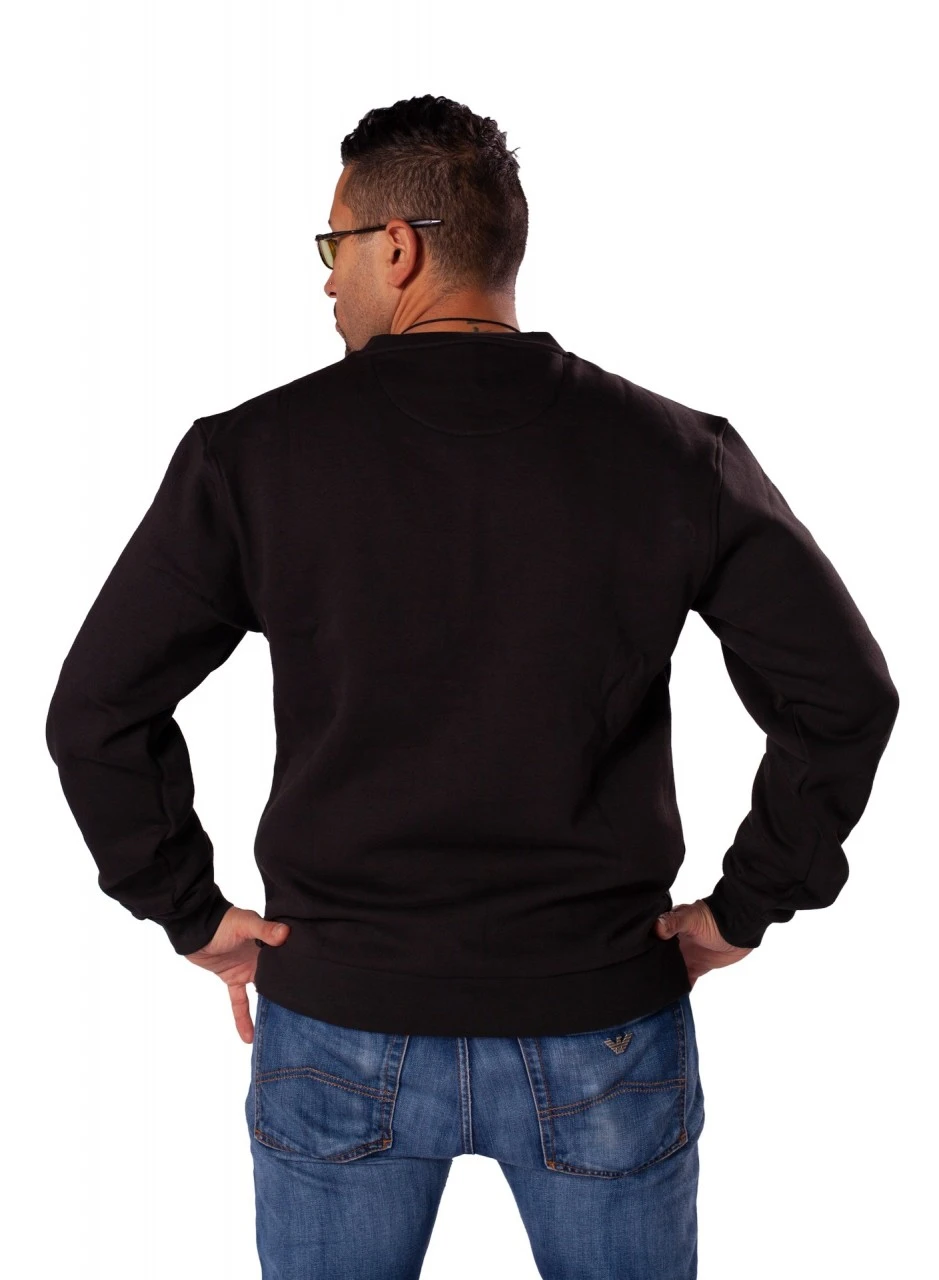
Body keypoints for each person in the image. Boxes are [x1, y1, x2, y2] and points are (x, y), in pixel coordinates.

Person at [44, 94, 900, 1280]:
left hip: (339, 1015)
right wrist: (745, 904)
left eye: (334, 244)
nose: (326, 277)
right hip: (603, 1015)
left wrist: (190, 909)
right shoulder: (672, 451)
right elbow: (843, 695)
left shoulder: (252, 455)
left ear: (397, 246)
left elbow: (97, 710)